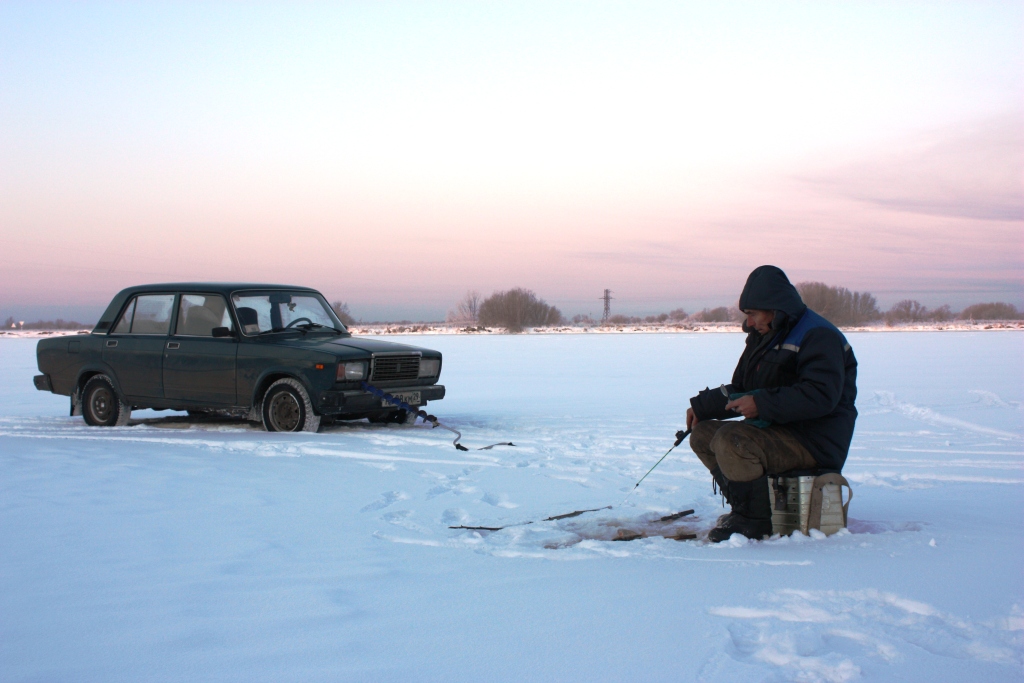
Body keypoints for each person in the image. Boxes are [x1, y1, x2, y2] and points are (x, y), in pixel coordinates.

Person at [686, 265, 858, 542]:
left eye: (753, 314)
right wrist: (702, 407)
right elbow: (742, 388)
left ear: (775, 308)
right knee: (704, 433)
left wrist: (762, 404)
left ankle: (756, 522)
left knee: (732, 439)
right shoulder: (764, 336)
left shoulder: (818, 335)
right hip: (776, 430)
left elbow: (821, 395)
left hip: (814, 440)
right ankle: (747, 509)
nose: (750, 323)